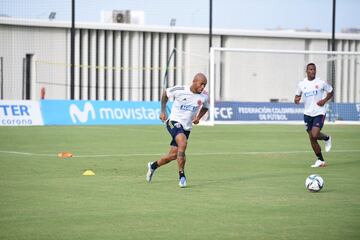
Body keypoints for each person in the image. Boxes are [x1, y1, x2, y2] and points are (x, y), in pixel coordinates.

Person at [146, 73, 209, 188]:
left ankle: (153, 166)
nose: (203, 87)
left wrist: (198, 117)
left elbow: (205, 107)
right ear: (194, 81)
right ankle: (182, 176)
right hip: (173, 121)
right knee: (183, 143)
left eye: (204, 85)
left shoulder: (204, 95)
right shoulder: (180, 89)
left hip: (187, 127)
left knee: (173, 155)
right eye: (201, 84)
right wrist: (163, 111)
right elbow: (165, 94)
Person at [294, 63, 334, 168]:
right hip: (307, 114)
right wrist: (296, 100)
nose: (313, 71)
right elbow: (297, 96)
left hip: (319, 112)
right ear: (306, 71)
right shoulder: (301, 84)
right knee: (312, 138)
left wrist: (324, 100)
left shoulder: (321, 82)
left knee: (315, 134)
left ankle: (327, 138)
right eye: (311, 69)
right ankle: (320, 160)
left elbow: (331, 91)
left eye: (314, 69)